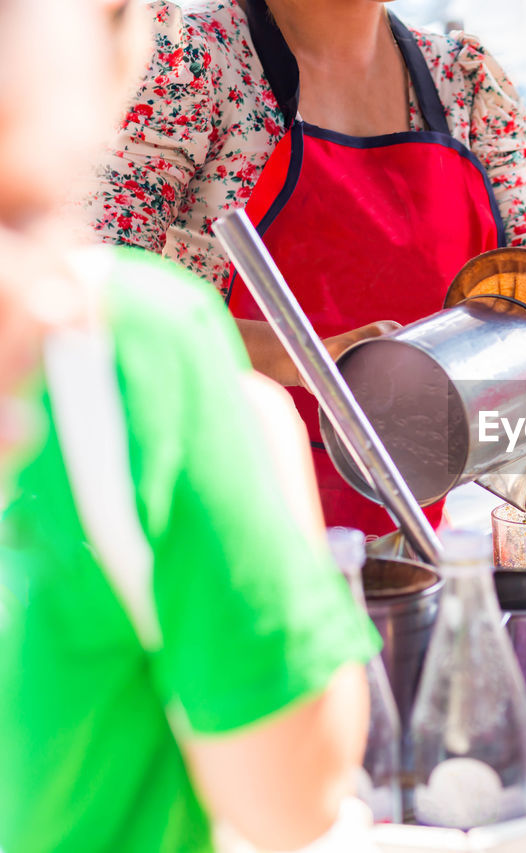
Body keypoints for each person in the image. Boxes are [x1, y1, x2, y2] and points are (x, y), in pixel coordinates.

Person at [1, 1, 378, 850]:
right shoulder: (119, 350)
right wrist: (268, 428)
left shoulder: (457, 80)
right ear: (119, 49)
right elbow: (293, 799)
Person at [88, 0, 526, 533]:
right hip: (231, 518)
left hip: (426, 529)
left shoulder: (463, 86)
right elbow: (96, 300)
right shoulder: (190, 68)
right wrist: (310, 361)